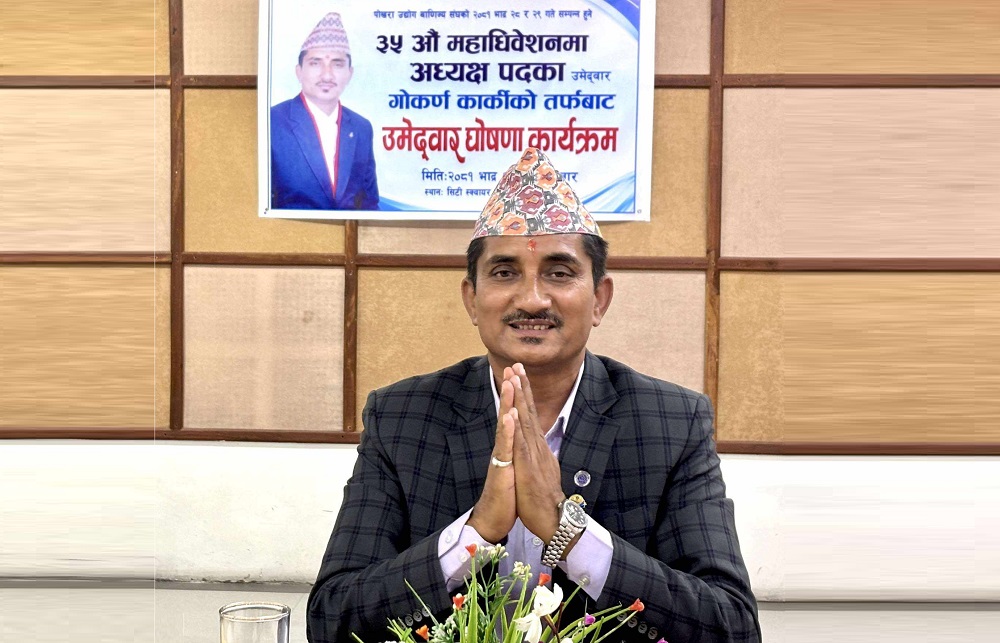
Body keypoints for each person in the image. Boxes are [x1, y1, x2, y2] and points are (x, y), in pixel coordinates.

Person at [307, 148, 760, 643]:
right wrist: (475, 533)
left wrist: (570, 533)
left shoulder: (671, 422)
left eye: (559, 273)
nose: (531, 300)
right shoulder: (403, 417)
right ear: (471, 300)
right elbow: (332, 619)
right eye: (504, 273)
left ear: (599, 299)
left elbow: (731, 627)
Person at [270, 12, 379, 211]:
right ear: (299, 71)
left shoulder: (361, 127)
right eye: (315, 63)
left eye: (337, 64)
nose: (327, 75)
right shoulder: (272, 122)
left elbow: (370, 204)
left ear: (350, 73)